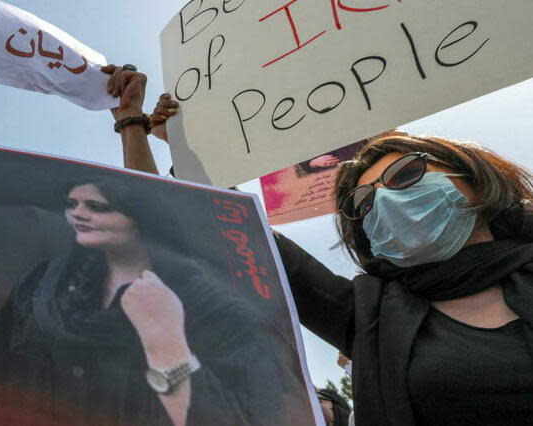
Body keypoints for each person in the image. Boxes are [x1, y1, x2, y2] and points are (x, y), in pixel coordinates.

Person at [118, 84, 533, 424]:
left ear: (474, 179)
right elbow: (221, 224)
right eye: (364, 204)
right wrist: (179, 148)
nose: (385, 201)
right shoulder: (367, 316)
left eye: (405, 174)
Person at [0, 176, 311, 426]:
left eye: (98, 206)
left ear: (140, 219)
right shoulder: (45, 283)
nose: (78, 213)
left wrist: (166, 344)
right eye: (72, 203)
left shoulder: (212, 310)